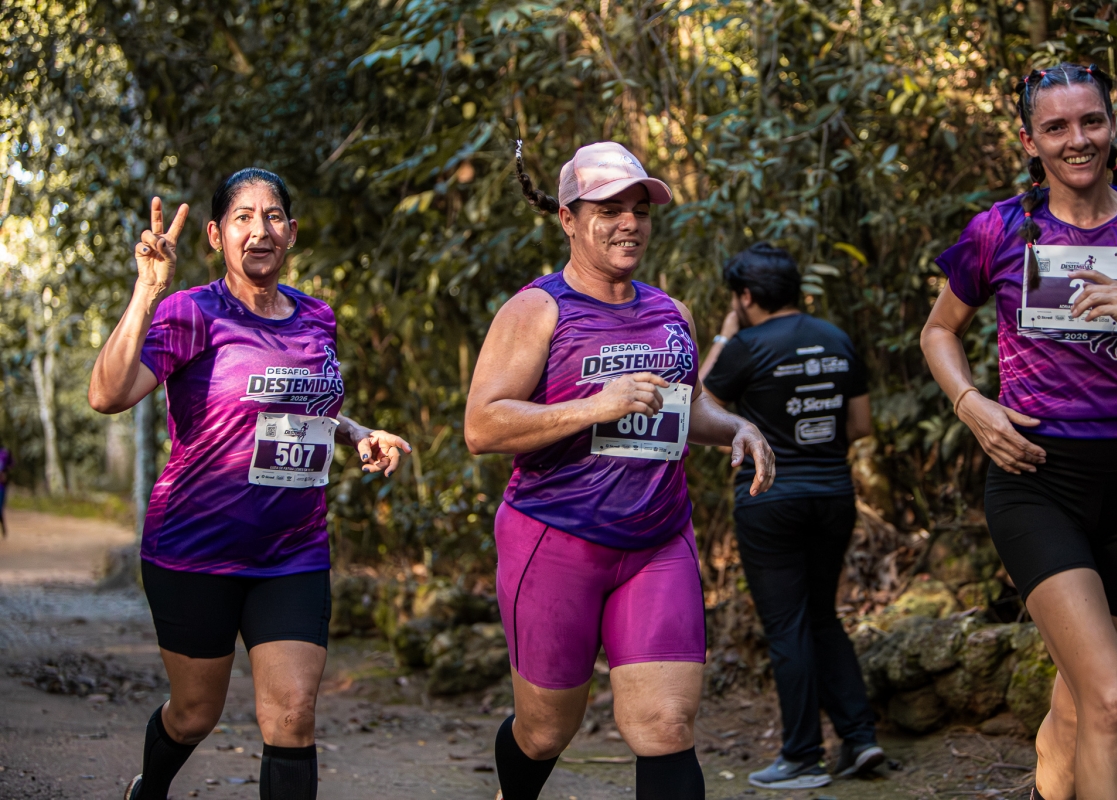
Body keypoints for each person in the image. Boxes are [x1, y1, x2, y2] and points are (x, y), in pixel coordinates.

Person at [921, 63, 1117, 800]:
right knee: (1111, 698)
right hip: (1036, 480)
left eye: (1091, 121)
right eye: (1056, 127)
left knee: (1079, 707)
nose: (1078, 140)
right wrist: (970, 404)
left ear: (1113, 125)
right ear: (1029, 141)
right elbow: (939, 331)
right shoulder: (1001, 229)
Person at [464, 141, 776, 800]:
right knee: (545, 731)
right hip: (555, 539)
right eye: (609, 210)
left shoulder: (671, 313)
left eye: (640, 209)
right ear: (569, 219)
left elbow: (689, 407)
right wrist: (593, 407)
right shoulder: (538, 309)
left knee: (666, 724)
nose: (629, 222)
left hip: (658, 540)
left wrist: (737, 427)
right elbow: (483, 426)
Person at [88, 169, 411, 800]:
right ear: (216, 235)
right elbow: (106, 394)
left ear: (291, 232)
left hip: (292, 550)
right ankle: (149, 790)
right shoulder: (191, 313)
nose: (259, 230)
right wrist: (148, 289)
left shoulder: (317, 316)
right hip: (195, 549)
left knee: (292, 715)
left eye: (273, 216)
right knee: (194, 714)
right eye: (243, 217)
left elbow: (302, 406)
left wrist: (354, 432)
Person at [699, 243, 883, 789]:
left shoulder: (746, 345)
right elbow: (860, 425)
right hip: (834, 496)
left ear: (745, 297)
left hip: (770, 498)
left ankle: (802, 756)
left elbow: (693, 405)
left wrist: (723, 337)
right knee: (822, 615)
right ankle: (860, 739)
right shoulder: (837, 338)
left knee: (786, 625)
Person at [0, 441, 11, 538]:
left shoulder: (4, 454)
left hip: (1, 487)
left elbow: (11, 465)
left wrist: (5, 473)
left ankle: (3, 529)